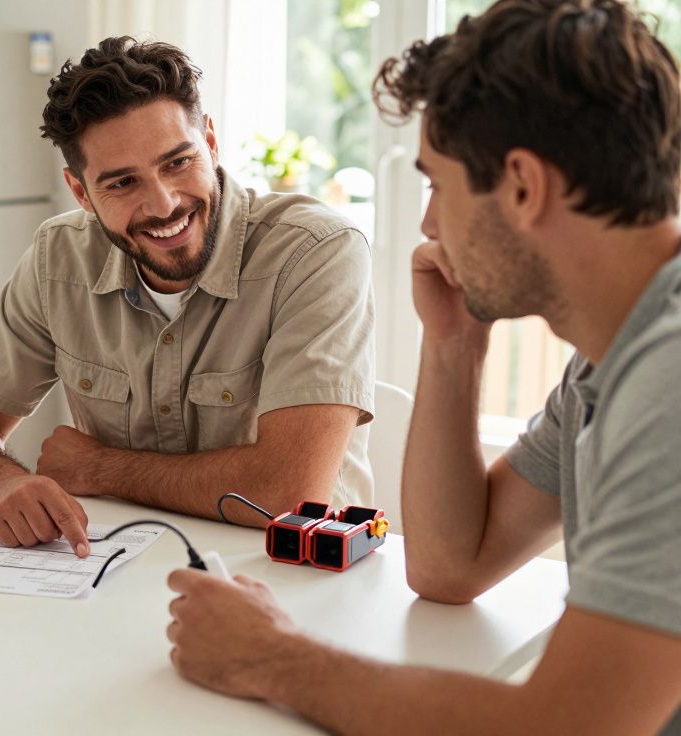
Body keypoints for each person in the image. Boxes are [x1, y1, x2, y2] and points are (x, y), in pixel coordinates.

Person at [166, 1, 681, 733]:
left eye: (437, 184)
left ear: (524, 186)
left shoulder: (668, 381)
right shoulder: (611, 362)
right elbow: (450, 567)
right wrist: (452, 345)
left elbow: (562, 727)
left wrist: (268, 655)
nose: (429, 224)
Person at [0, 37, 376, 557]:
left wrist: (99, 468)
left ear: (210, 142)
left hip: (296, 572)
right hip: (114, 561)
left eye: (178, 162)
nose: (163, 205)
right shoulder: (59, 258)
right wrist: (2, 483)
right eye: (122, 183)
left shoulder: (315, 251)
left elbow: (290, 493)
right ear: (81, 193)